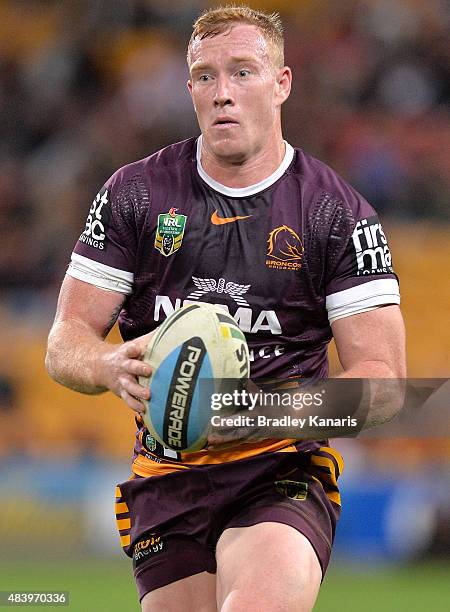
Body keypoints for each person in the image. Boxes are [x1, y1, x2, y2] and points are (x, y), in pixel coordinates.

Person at [46, 6, 406, 611]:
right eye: (205, 77)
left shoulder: (337, 215)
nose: (223, 94)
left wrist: (261, 412)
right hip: (166, 479)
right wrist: (108, 366)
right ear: (189, 90)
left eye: (243, 72)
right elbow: (66, 339)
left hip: (279, 472)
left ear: (281, 83)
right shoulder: (136, 194)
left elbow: (386, 383)